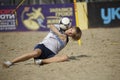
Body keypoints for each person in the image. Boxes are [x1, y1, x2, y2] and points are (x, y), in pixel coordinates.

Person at [3, 23, 82, 68]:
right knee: (35, 53)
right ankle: (11, 62)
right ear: (70, 27)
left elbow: (68, 37)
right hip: (43, 47)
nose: (70, 32)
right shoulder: (59, 28)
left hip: (51, 54)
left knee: (65, 57)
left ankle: (41, 61)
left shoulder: (66, 40)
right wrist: (59, 34)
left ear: (72, 36)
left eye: (72, 33)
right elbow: (51, 26)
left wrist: (64, 36)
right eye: (71, 30)